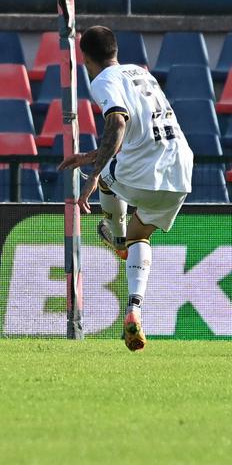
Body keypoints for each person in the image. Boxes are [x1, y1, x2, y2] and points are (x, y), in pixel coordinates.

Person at [59, 25, 193, 352]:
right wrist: (91, 156)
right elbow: (136, 132)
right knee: (141, 235)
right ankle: (134, 309)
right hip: (180, 170)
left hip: (144, 168)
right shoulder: (141, 73)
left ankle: (117, 239)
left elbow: (117, 122)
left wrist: (92, 174)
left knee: (107, 177)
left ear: (85, 57)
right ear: (115, 49)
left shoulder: (103, 80)